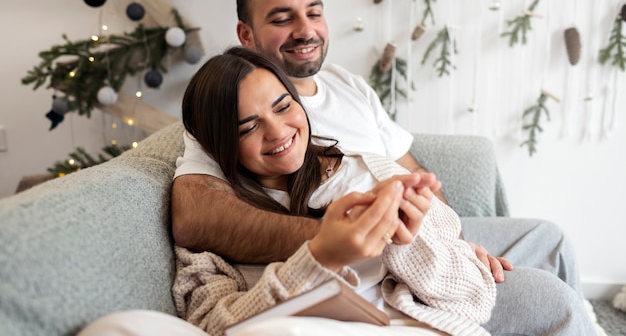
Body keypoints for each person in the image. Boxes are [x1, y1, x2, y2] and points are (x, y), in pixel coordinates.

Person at [171, 0, 595, 335]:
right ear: (246, 33)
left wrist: (450, 237)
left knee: (550, 239)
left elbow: (407, 170)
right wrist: (338, 241)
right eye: (282, 18)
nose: (305, 30)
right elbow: (195, 219)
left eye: (314, 12)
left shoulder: (347, 87)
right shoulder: (217, 108)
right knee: (548, 298)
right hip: (356, 258)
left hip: (412, 240)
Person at [172, 47, 499, 336]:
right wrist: (318, 258)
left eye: (284, 107)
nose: (277, 131)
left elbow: (473, 299)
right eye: (248, 127)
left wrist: (401, 243)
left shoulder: (371, 173)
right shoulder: (218, 229)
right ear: (217, 144)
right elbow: (211, 327)